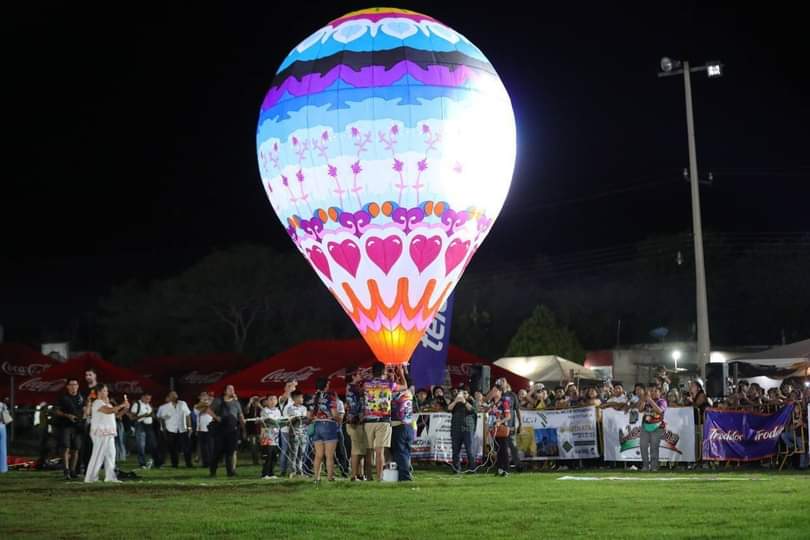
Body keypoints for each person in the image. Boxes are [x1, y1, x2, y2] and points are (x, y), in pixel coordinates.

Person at [363, 363, 400, 481]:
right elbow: (404, 386)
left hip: (368, 420)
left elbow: (361, 382)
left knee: (368, 451)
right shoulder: (389, 384)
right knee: (380, 452)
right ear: (384, 371)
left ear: (372, 371)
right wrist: (400, 374)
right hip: (383, 421)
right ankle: (379, 478)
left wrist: (368, 373)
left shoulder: (366, 384)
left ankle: (368, 477)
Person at [84, 384, 128, 483]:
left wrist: (125, 408)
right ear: (99, 392)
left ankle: (110, 477)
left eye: (106, 391)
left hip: (109, 433)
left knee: (110, 455)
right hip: (100, 432)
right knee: (98, 455)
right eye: (105, 391)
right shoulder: (97, 402)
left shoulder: (107, 404)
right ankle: (90, 478)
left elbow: (116, 415)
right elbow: (109, 411)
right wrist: (121, 405)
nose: (107, 393)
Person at [310, 378, 344, 484]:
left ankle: (316, 478)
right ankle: (330, 477)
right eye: (328, 383)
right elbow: (334, 413)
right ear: (325, 385)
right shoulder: (330, 397)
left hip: (317, 425)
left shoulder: (314, 397)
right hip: (329, 425)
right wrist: (339, 419)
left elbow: (310, 415)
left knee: (318, 454)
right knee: (329, 455)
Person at [208, 385, 245, 477]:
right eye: (230, 389)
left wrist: (243, 428)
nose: (232, 391)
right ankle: (213, 471)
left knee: (230, 452)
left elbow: (240, 415)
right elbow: (208, 410)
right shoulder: (218, 400)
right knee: (217, 451)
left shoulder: (236, 402)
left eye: (233, 389)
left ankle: (230, 472)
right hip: (220, 430)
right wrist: (216, 417)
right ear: (225, 391)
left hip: (232, 430)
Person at [53, 379, 85, 480]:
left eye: (75, 384)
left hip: (78, 426)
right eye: (71, 384)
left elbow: (85, 409)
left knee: (76, 449)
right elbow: (56, 411)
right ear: (67, 386)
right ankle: (66, 470)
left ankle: (73, 470)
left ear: (78, 386)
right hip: (65, 426)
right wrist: (67, 415)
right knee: (66, 448)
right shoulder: (63, 398)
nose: (73, 386)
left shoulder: (81, 397)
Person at [634, 384, 667, 472]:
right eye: (651, 391)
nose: (653, 393)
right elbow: (640, 409)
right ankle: (645, 466)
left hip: (657, 427)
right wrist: (644, 400)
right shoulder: (647, 400)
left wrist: (650, 400)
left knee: (654, 447)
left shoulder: (662, 401)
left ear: (660, 393)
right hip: (645, 425)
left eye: (655, 391)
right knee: (643, 445)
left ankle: (654, 466)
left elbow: (660, 411)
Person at [157, 391, 193, 468]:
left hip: (182, 429)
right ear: (169, 397)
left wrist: (189, 427)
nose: (174, 396)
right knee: (173, 448)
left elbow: (188, 415)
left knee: (186, 447)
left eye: (175, 395)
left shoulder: (183, 403)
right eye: (172, 395)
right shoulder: (164, 407)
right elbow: (160, 418)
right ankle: (175, 464)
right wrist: (163, 428)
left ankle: (189, 463)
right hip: (171, 430)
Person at [389, 368, 413, 481]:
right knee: (406, 452)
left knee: (400, 452)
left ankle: (405, 477)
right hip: (409, 426)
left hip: (398, 425)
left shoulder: (394, 393)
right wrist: (402, 372)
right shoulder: (408, 392)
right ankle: (406, 472)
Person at [344, 367, 368, 481]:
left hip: (360, 422)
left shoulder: (357, 387)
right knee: (356, 449)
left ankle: (360, 473)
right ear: (353, 376)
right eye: (358, 374)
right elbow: (353, 406)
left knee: (361, 449)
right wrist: (357, 417)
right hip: (354, 422)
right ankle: (353, 475)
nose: (361, 375)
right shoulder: (351, 388)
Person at [449, 387, 477, 473]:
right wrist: (456, 401)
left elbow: (472, 410)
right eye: (461, 393)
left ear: (468, 395)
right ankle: (456, 468)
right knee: (455, 449)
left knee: (470, 449)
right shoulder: (455, 401)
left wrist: (464, 402)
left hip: (468, 428)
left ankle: (472, 468)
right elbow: (449, 408)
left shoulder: (471, 401)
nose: (462, 395)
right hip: (456, 428)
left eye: (465, 393)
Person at [281, 390, 308, 478]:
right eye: (300, 397)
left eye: (302, 397)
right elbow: (289, 421)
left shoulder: (304, 408)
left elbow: (306, 420)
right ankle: (292, 471)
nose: (302, 399)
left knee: (302, 453)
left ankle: (300, 471)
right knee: (294, 453)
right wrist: (295, 418)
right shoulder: (290, 408)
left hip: (303, 433)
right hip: (294, 433)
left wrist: (306, 419)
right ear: (295, 398)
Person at [129, 392, 158, 469]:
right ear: (142, 397)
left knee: (153, 444)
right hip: (140, 425)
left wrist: (152, 416)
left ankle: (154, 462)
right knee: (141, 445)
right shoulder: (137, 404)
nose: (148, 400)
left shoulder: (148, 405)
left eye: (149, 399)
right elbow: (132, 417)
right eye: (147, 398)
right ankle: (142, 463)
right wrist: (144, 416)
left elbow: (152, 415)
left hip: (150, 426)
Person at [488, 385, 511, 477]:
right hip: (494, 429)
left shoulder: (504, 402)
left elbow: (508, 416)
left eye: (495, 391)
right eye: (492, 390)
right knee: (497, 450)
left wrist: (500, 422)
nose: (493, 392)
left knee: (503, 450)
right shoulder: (492, 403)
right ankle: (499, 468)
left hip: (502, 428)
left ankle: (506, 469)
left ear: (500, 392)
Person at [260, 395, 282, 479]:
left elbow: (280, 421)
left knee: (274, 456)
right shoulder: (264, 410)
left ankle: (271, 473)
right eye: (271, 399)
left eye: (274, 399)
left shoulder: (278, 411)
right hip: (267, 437)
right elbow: (265, 422)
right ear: (267, 401)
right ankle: (265, 474)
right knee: (267, 456)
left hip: (275, 437)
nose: (273, 401)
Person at [195, 392, 214, 468]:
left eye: (205, 395)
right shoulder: (196, 406)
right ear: (199, 397)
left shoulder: (211, 403)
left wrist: (207, 404)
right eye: (202, 396)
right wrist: (206, 404)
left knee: (211, 447)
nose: (204, 397)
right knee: (203, 448)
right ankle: (205, 463)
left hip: (210, 428)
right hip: (201, 429)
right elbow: (199, 411)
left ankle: (212, 462)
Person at [245, 395, 263, 466]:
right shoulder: (250, 408)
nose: (255, 402)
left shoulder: (260, 408)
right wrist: (249, 402)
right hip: (251, 431)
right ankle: (255, 461)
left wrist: (259, 405)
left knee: (262, 446)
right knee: (253, 446)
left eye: (257, 400)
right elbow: (246, 411)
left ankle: (263, 458)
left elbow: (265, 413)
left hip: (260, 430)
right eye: (254, 401)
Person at [0, 399, 10, 474]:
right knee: (3, 449)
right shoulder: (2, 405)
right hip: (2, 427)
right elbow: (6, 419)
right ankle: (3, 469)